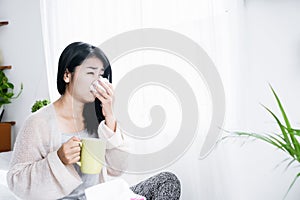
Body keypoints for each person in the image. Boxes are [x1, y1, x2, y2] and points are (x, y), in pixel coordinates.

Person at [7, 42, 181, 200]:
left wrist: (110, 117)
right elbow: (16, 182)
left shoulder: (99, 118)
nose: (97, 82)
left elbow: (117, 169)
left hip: (102, 196)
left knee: (167, 181)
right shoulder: (38, 122)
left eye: (101, 75)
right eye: (90, 73)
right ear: (67, 75)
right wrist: (58, 160)